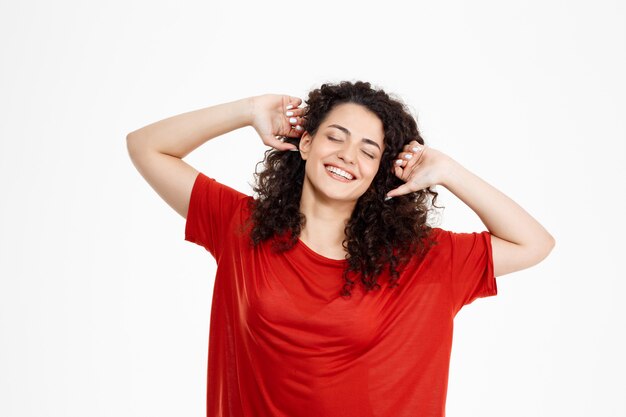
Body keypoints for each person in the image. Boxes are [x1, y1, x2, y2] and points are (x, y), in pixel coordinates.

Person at [126, 80, 555, 417]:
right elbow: (146, 146)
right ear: (307, 143)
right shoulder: (243, 228)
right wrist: (246, 110)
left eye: (369, 151)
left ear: (380, 172)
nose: (348, 156)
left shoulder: (420, 260)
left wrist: (451, 172)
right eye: (336, 137)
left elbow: (533, 242)